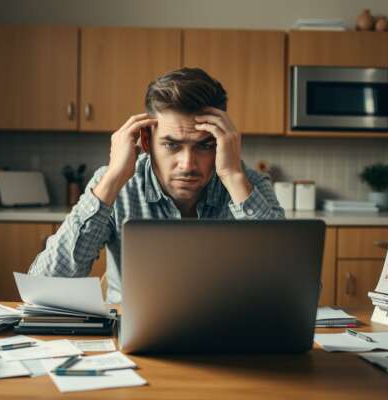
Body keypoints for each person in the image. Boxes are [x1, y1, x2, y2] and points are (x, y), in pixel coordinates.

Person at [28, 67, 285, 303]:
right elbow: (45, 289)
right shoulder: (116, 184)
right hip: (129, 339)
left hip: (228, 341)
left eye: (204, 145)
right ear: (147, 141)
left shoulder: (247, 184)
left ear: (222, 142)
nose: (187, 164)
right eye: (172, 145)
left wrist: (232, 176)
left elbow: (291, 292)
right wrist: (113, 179)